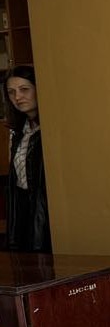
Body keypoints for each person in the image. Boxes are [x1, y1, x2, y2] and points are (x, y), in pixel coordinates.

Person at [4, 66, 50, 252]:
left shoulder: (51, 130)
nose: (17, 97)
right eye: (11, 92)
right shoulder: (17, 132)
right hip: (23, 208)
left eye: (24, 89)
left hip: (47, 210)